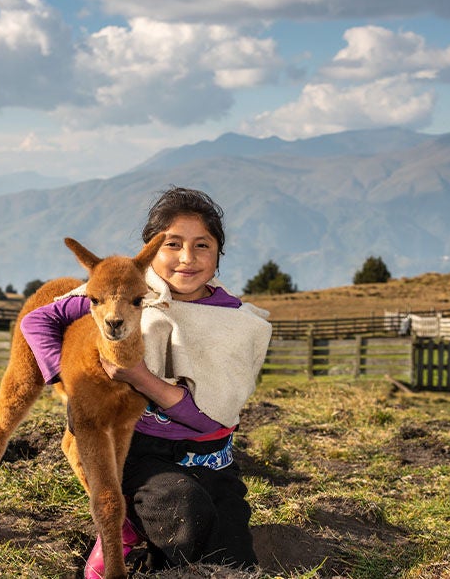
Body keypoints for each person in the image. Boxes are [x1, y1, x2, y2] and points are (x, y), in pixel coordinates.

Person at [20, 186, 273, 577]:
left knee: (233, 559)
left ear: (218, 253)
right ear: (150, 252)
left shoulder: (236, 323)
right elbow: (38, 320)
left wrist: (139, 377)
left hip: (209, 454)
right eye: (173, 244)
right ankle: (125, 532)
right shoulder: (123, 291)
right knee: (182, 510)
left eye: (202, 245)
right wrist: (68, 381)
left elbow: (212, 419)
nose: (187, 258)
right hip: (137, 447)